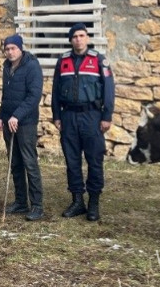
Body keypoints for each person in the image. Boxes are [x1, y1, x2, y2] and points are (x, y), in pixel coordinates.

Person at [51, 23, 115, 222]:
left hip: (92, 117)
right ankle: (77, 201)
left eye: (82, 35)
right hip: (69, 116)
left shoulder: (99, 61)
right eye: (75, 36)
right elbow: (55, 91)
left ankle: (93, 202)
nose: (78, 39)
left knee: (94, 159)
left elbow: (109, 90)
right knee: (72, 161)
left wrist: (106, 116)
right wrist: (56, 116)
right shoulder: (63, 62)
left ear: (87, 38)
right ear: (70, 40)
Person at [0, 34, 45, 221]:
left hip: (25, 123)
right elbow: (6, 95)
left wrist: (18, 115)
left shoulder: (32, 66)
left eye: (13, 48)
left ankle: (37, 206)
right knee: (14, 162)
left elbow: (34, 96)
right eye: (7, 49)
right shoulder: (6, 67)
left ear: (20, 48)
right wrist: (1, 116)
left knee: (29, 162)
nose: (10, 52)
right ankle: (20, 202)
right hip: (9, 122)